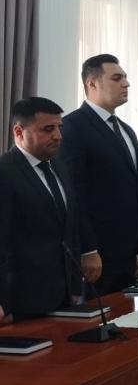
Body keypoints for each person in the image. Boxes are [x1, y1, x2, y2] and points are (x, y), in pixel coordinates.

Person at [60, 53, 138, 293]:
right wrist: (88, 248)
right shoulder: (72, 127)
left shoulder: (127, 130)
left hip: (129, 251)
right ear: (92, 83)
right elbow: (74, 193)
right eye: (117, 78)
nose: (126, 83)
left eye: (125, 77)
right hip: (98, 253)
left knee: (129, 313)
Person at [0, 98, 96, 322]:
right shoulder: (5, 172)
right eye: (48, 129)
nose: (58, 136)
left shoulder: (60, 166)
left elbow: (68, 227)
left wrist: (75, 284)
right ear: (19, 132)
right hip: (21, 298)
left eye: (59, 127)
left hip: (63, 294)